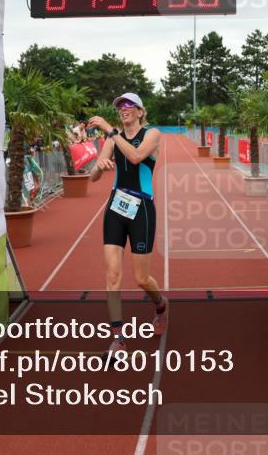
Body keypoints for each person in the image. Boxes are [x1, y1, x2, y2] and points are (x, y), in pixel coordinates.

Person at [87, 92, 167, 354]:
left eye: (129, 104)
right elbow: (93, 178)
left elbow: (134, 157)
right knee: (112, 275)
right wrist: (99, 165)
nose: (123, 108)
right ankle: (118, 337)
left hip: (142, 208)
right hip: (115, 208)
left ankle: (160, 305)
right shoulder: (112, 139)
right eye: (120, 105)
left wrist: (110, 131)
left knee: (141, 278)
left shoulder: (151, 134)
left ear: (140, 112)